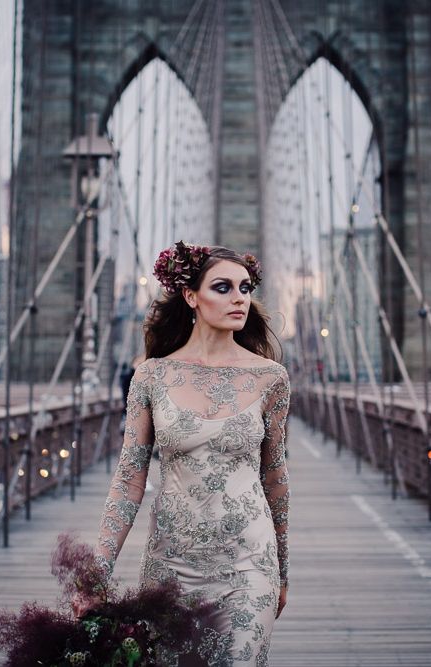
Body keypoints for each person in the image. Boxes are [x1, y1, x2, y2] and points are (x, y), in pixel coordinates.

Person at [76, 241, 290, 666]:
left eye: (245, 288)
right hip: (171, 564)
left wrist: (283, 569)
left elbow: (276, 478)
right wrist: (97, 570)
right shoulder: (152, 376)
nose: (239, 298)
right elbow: (130, 477)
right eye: (223, 287)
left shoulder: (271, 378)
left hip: (249, 561)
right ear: (191, 296)